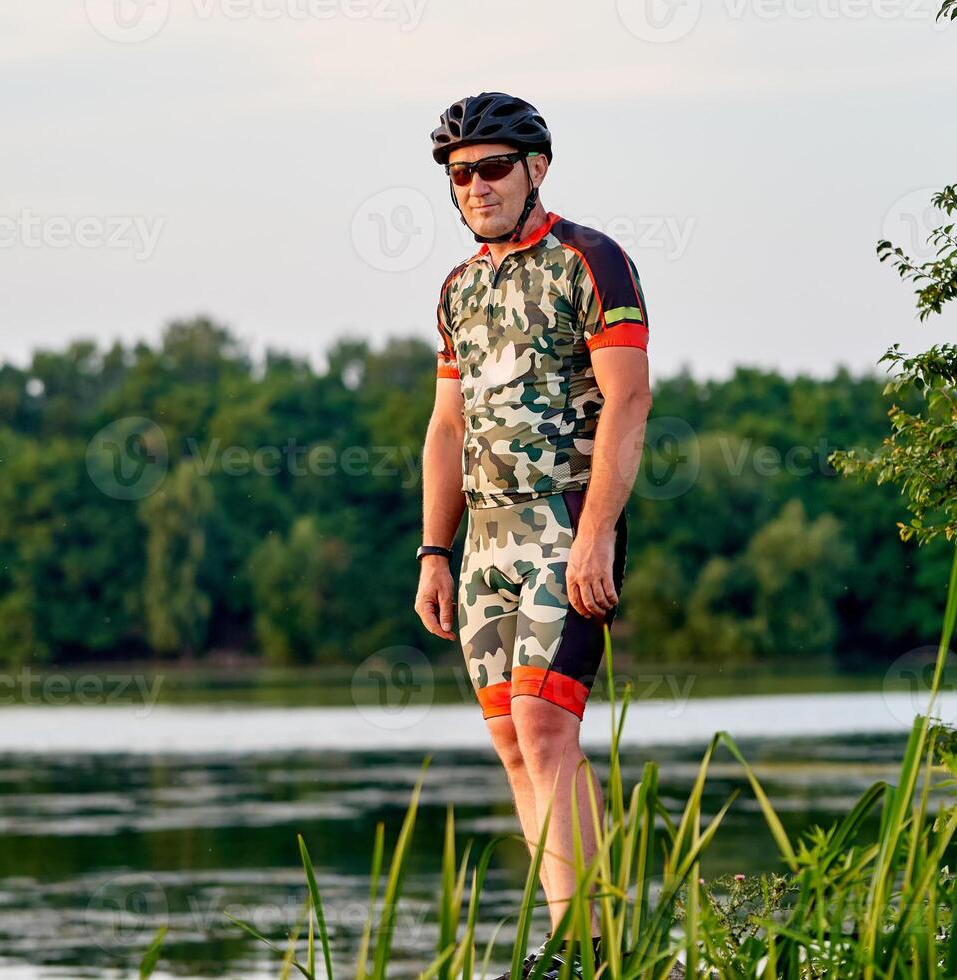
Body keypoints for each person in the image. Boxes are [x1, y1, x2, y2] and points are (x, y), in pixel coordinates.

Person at [413, 91, 653, 980]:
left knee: (548, 724)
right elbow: (445, 428)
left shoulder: (592, 260)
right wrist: (434, 554)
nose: (473, 186)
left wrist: (597, 536)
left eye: (490, 168)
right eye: (458, 173)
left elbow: (629, 399)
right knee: (513, 740)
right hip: (482, 542)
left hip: (564, 522)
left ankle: (593, 947)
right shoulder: (457, 289)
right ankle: (572, 941)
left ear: (536, 169)